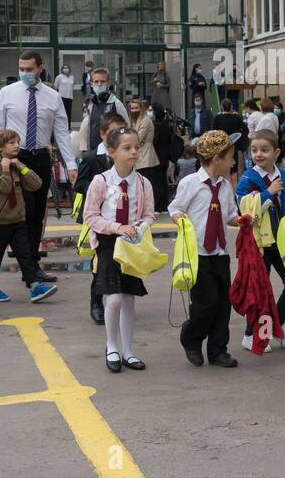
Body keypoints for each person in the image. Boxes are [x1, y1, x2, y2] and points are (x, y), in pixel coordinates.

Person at [0, 51, 78, 266]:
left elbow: (62, 134)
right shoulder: (7, 93)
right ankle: (27, 263)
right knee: (23, 211)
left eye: (29, 69)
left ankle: (32, 259)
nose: (25, 73)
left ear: (40, 68)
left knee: (38, 212)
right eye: (21, 69)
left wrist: (71, 164)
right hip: (14, 158)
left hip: (40, 157)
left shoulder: (53, 96)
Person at [169, 129, 245, 368]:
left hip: (220, 253)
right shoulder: (190, 183)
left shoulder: (224, 186)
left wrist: (240, 221)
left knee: (223, 303)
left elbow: (230, 214)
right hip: (198, 253)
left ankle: (218, 349)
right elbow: (175, 207)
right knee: (205, 303)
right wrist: (179, 217)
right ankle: (191, 338)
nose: (233, 161)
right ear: (216, 159)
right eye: (230, 157)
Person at [83, 125, 156, 373]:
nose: (134, 152)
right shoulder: (101, 181)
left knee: (128, 299)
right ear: (112, 151)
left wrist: (139, 227)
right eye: (127, 148)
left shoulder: (144, 183)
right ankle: (111, 344)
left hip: (131, 244)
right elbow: (90, 216)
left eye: (137, 146)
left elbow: (149, 215)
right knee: (112, 299)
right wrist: (116, 227)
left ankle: (128, 350)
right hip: (108, 242)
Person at [235, 131, 285, 352]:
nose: (259, 154)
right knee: (259, 291)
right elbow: (243, 208)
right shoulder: (247, 178)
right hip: (258, 243)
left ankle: (276, 326)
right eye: (254, 150)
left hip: (282, 241)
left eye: (264, 150)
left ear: (276, 152)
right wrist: (267, 193)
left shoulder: (283, 175)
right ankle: (250, 334)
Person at [0, 128, 57, 304]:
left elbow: (36, 184)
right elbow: (5, 187)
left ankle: (34, 286)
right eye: (12, 143)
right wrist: (6, 169)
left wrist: (21, 167)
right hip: (0, 220)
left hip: (17, 218)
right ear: (0, 147)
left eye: (17, 142)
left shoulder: (17, 164)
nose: (17, 145)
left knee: (24, 253)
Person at [74, 111, 127, 324]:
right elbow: (80, 184)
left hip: (121, 216)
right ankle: (96, 302)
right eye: (113, 132)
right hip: (98, 216)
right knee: (100, 263)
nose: (118, 136)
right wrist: (101, 190)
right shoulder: (91, 158)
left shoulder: (124, 156)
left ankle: (119, 298)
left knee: (122, 260)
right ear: (103, 134)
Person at [79, 67, 128, 161]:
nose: (99, 84)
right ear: (92, 84)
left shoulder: (116, 104)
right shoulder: (91, 105)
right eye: (96, 82)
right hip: (93, 154)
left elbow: (127, 128)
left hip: (111, 156)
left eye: (102, 81)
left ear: (108, 83)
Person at [130, 99, 166, 213]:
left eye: (136, 108)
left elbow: (138, 138)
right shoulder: (134, 121)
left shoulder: (145, 121)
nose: (134, 110)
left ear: (141, 109)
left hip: (146, 157)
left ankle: (153, 207)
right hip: (139, 157)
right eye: (132, 108)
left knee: (149, 184)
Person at [211, 99, 247, 181]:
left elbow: (213, 132)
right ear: (231, 107)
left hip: (221, 148)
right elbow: (245, 130)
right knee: (235, 171)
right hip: (235, 146)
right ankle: (234, 191)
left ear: (221, 107)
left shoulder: (217, 118)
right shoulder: (237, 118)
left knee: (223, 170)